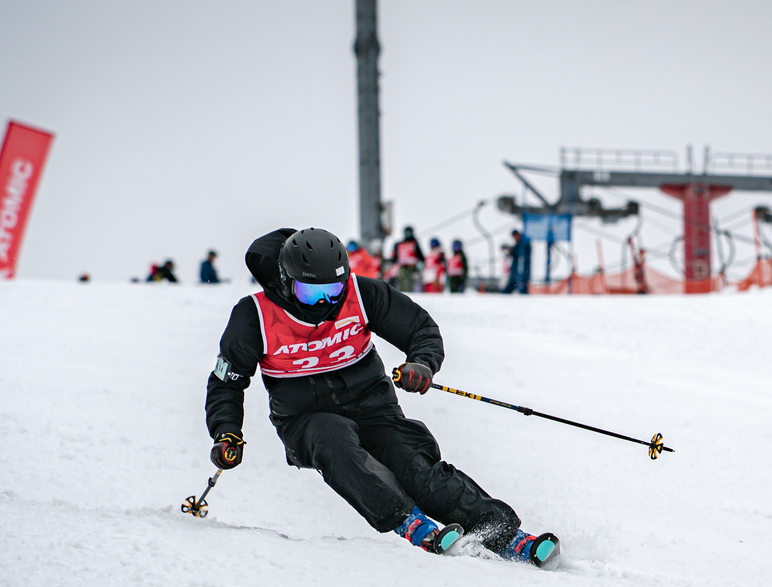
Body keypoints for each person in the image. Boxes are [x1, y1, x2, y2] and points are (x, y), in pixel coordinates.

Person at [204, 226, 559, 566]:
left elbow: (420, 328)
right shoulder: (254, 317)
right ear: (285, 282)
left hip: (374, 408)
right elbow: (227, 382)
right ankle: (409, 522)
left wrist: (421, 364)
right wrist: (226, 431)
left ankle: (504, 533)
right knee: (336, 443)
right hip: (305, 420)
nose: (326, 302)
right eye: (312, 294)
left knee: (415, 466)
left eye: (334, 289)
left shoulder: (361, 293)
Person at [388, 225, 424, 293]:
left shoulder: (414, 244)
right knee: (402, 284)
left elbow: (421, 257)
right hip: (402, 268)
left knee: (410, 285)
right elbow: (395, 258)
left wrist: (420, 266)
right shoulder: (399, 244)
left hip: (412, 268)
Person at [501, 229, 531, 294]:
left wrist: (512, 251)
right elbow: (515, 253)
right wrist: (509, 251)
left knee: (522, 288)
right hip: (515, 272)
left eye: (515, 236)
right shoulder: (518, 244)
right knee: (512, 286)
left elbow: (522, 255)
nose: (515, 238)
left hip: (522, 271)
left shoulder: (524, 244)